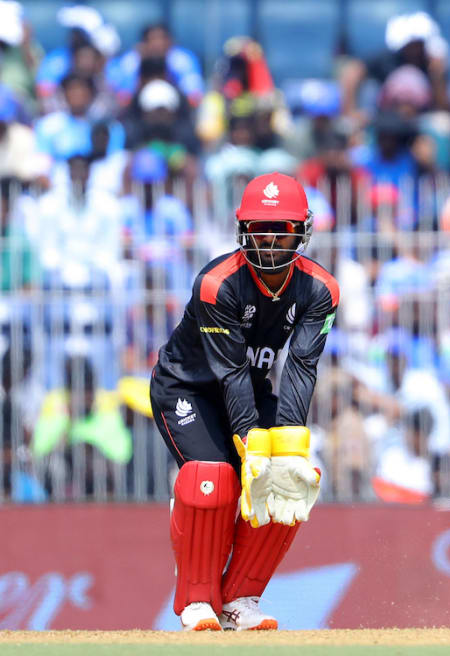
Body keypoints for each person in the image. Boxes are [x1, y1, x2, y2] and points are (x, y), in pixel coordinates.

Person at [149, 172, 339, 631]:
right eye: (259, 228)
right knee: (210, 479)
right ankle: (198, 600)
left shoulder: (320, 290)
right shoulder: (218, 283)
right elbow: (229, 370)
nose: (270, 239)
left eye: (282, 229)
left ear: (303, 231)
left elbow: (300, 368)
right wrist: (250, 442)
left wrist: (287, 446)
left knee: (289, 477)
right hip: (188, 389)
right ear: (242, 230)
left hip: (252, 391)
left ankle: (239, 601)